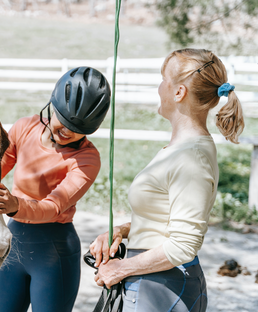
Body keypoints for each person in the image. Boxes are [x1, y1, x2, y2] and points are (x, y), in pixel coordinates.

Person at [89, 48, 244, 312]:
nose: (159, 87)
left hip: (160, 288)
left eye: (164, 79)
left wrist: (120, 269)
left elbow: (183, 245)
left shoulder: (192, 157)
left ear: (179, 92)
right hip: (155, 282)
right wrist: (122, 230)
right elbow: (166, 216)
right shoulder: (181, 150)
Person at [0, 67, 111, 312]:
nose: (65, 132)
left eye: (76, 130)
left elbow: (53, 207)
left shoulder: (87, 159)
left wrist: (15, 205)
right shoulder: (24, 128)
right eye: (62, 122)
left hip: (54, 252)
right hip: (15, 244)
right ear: (52, 106)